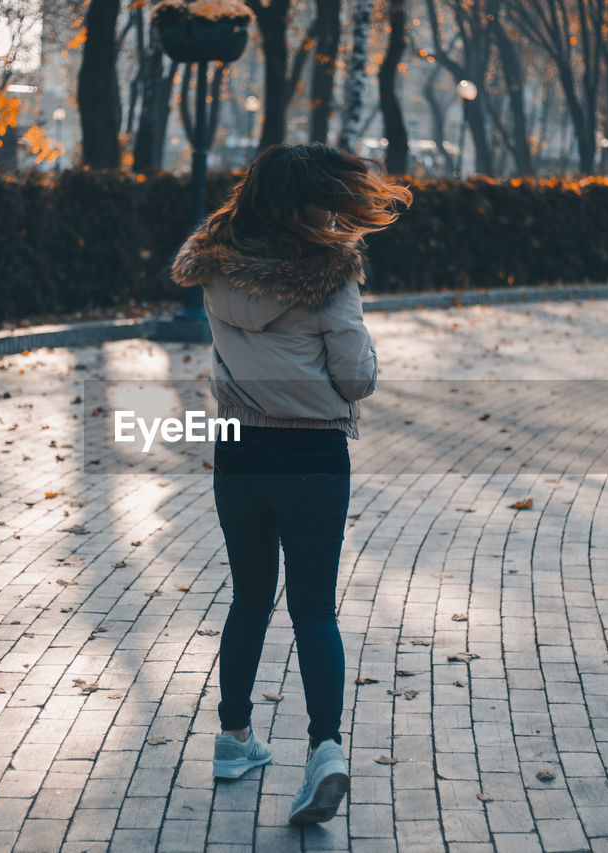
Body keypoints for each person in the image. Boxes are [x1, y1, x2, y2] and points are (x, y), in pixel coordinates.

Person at [170, 143, 412, 825]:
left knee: (249, 597)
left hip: (240, 452)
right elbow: (356, 377)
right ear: (311, 204)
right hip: (312, 456)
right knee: (313, 608)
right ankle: (325, 750)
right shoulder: (330, 276)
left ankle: (234, 738)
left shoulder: (214, 269)